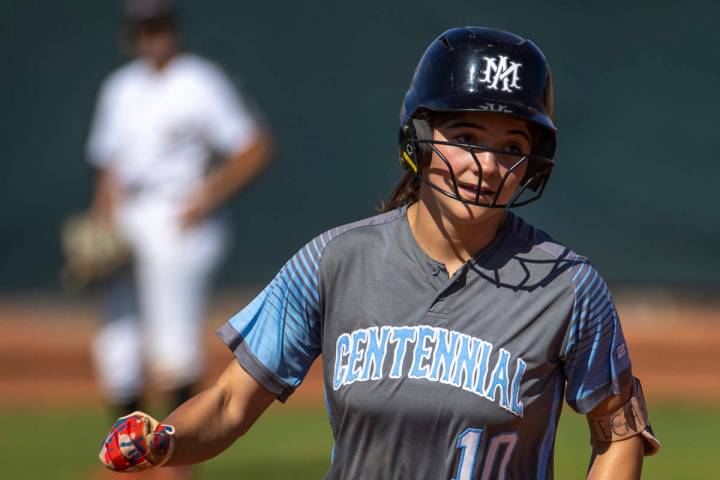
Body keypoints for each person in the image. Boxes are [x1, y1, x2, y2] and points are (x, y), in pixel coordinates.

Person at [98, 27, 660, 479]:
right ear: (419, 136)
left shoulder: (567, 286)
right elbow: (226, 404)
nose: (487, 166)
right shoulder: (336, 261)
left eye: (512, 147)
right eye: (465, 139)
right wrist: (165, 441)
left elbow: (619, 434)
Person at [86, 0, 273, 423]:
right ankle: (130, 452)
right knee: (119, 340)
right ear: (130, 34)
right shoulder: (120, 87)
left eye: (160, 26)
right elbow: (109, 163)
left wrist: (205, 199)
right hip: (127, 215)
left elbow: (254, 146)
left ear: (174, 29)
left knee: (173, 340)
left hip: (177, 214)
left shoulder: (199, 81)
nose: (154, 36)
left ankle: (174, 457)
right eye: (145, 28)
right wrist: (101, 216)